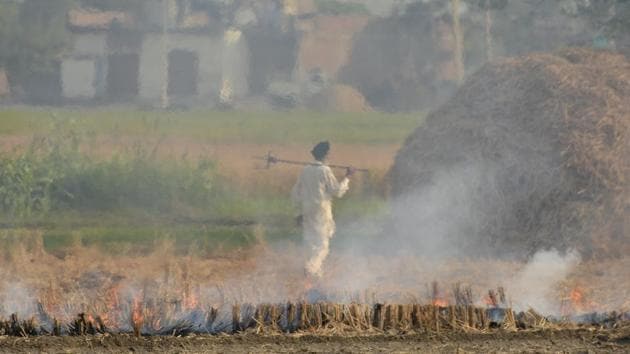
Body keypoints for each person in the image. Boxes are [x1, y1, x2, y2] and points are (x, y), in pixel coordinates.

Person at [291, 141, 354, 279]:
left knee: (310, 242)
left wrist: (297, 213)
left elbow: (295, 192)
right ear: (325, 154)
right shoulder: (325, 170)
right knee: (322, 245)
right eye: (329, 153)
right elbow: (337, 191)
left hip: (307, 210)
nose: (330, 155)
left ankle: (317, 277)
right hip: (321, 212)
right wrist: (348, 177)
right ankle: (311, 268)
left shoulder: (305, 170)